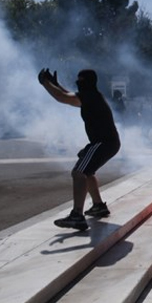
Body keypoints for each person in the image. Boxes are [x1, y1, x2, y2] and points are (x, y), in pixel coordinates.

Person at [38, 68, 121, 231]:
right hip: (108, 143)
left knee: (78, 172)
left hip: (103, 142)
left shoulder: (90, 96)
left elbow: (62, 98)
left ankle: (77, 215)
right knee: (87, 171)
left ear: (85, 82)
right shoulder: (93, 95)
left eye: (80, 80)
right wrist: (57, 84)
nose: (78, 83)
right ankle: (98, 206)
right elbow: (70, 96)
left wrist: (45, 83)